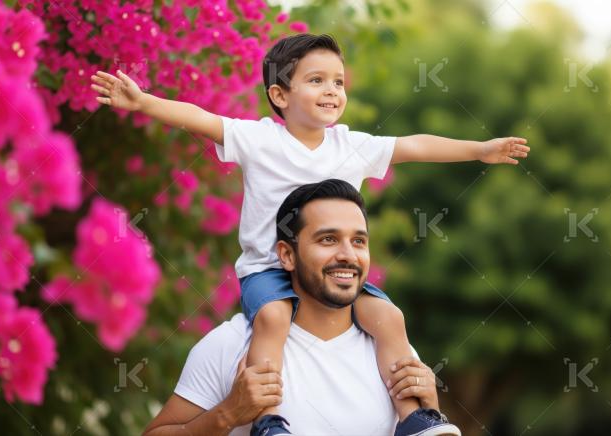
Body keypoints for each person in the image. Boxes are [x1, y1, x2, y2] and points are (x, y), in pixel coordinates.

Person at [92, 33, 528, 435]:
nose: (332, 91)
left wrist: (479, 150)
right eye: (316, 80)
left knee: (390, 318)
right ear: (280, 95)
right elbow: (202, 119)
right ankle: (268, 421)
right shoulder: (259, 140)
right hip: (267, 271)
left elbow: (414, 145)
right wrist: (145, 102)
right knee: (274, 317)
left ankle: (415, 418)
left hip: (325, 281)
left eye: (338, 82)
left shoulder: (350, 145)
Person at [143, 179, 461, 435]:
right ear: (287, 255)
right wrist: (227, 415)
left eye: (359, 241)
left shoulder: (391, 350)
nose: (348, 255)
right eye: (328, 240)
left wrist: (430, 410)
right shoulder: (232, 344)